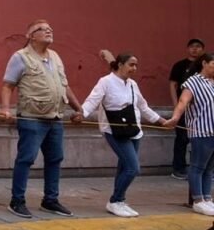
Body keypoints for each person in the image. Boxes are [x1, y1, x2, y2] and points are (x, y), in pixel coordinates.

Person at [0, 19, 84, 218]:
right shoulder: (20, 57)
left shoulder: (55, 56)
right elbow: (7, 85)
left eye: (50, 29)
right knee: (26, 159)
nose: (48, 31)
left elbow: (65, 86)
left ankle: (50, 200)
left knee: (55, 159)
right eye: (42, 29)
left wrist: (78, 108)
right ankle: (17, 201)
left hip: (55, 118)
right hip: (31, 118)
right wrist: (5, 109)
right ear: (30, 36)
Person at [81, 52, 166, 217]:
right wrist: (81, 114)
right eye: (131, 64)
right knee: (133, 168)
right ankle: (114, 200)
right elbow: (92, 101)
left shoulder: (133, 84)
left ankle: (120, 200)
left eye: (136, 65)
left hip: (133, 130)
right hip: (114, 130)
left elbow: (143, 106)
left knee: (124, 167)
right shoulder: (105, 82)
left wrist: (161, 120)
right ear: (120, 64)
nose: (134, 68)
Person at [167, 53, 214, 215]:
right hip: (201, 131)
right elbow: (183, 102)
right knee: (197, 167)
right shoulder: (193, 82)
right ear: (204, 63)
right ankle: (198, 200)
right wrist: (175, 117)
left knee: (209, 169)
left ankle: (207, 198)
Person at [169, 38, 205, 179]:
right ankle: (178, 169)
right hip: (184, 108)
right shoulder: (180, 65)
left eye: (198, 46)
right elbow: (173, 85)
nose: (194, 49)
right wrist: (175, 104)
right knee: (181, 139)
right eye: (192, 46)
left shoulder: (205, 66)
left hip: (202, 110)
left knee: (204, 139)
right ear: (187, 49)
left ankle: (203, 169)